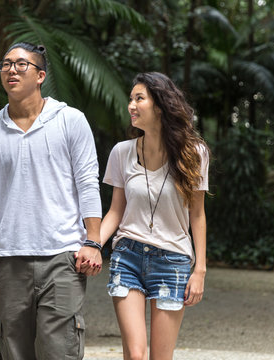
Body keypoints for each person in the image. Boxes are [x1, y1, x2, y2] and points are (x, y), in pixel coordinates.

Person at [0, 42, 103, 360]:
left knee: (59, 349)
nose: (11, 70)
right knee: (14, 349)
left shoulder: (70, 121)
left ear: (41, 76)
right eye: (6, 64)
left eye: (21, 65)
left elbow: (87, 183)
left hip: (63, 256)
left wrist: (94, 241)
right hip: (9, 258)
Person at [100, 72, 209, 360]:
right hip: (128, 255)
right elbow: (115, 211)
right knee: (135, 355)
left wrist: (199, 270)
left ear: (159, 105)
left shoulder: (193, 153)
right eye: (130, 99)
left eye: (139, 99)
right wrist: (91, 243)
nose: (131, 106)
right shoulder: (121, 153)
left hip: (173, 260)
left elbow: (197, 214)